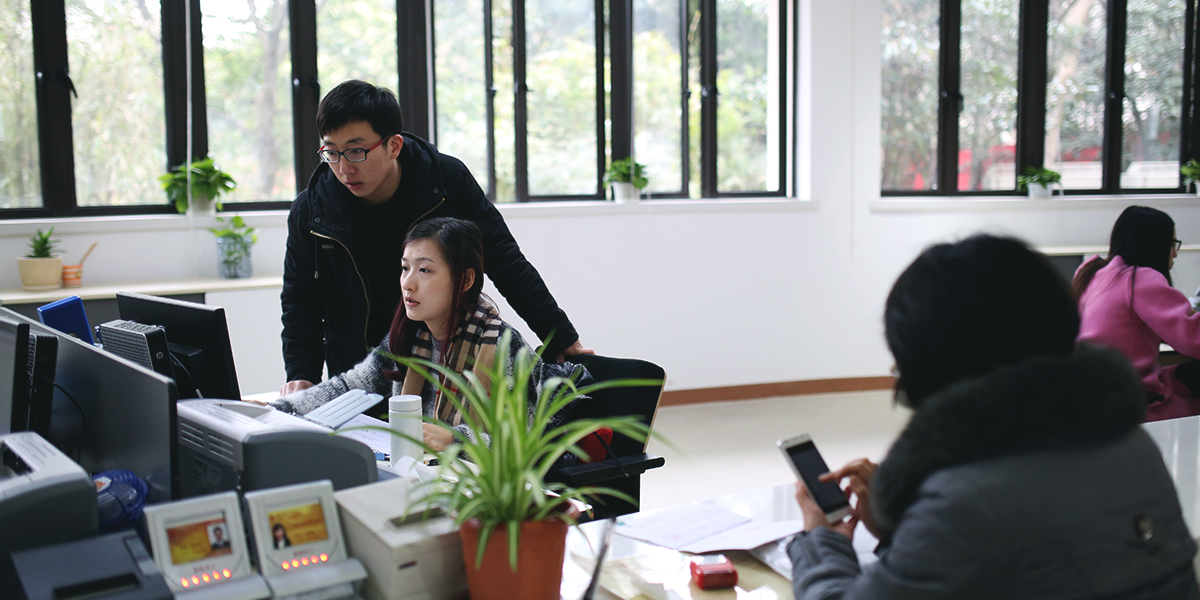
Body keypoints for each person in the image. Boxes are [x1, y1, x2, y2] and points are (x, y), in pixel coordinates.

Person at [788, 235, 1198, 599]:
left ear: (930, 367)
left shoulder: (967, 502)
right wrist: (903, 534)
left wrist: (823, 539)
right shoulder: (1134, 447)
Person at [281, 80, 589, 396]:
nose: (344, 168)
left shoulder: (446, 184)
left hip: (445, 368)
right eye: (332, 152)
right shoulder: (312, 210)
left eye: (356, 151)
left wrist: (560, 336)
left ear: (393, 146)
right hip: (357, 371)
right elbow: (300, 299)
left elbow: (504, 259)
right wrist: (302, 374)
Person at [274, 218, 590, 451]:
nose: (408, 283)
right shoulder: (410, 336)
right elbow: (350, 385)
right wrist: (278, 411)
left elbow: (525, 440)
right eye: (405, 268)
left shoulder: (502, 345)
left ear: (465, 279)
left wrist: (456, 439)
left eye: (424, 270)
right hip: (425, 473)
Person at [1074, 205, 1200, 421]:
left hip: (1090, 393)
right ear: (1156, 244)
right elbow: (1194, 339)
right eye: (1172, 244)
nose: (1175, 254)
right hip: (1129, 400)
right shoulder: (1139, 279)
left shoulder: (1091, 273)